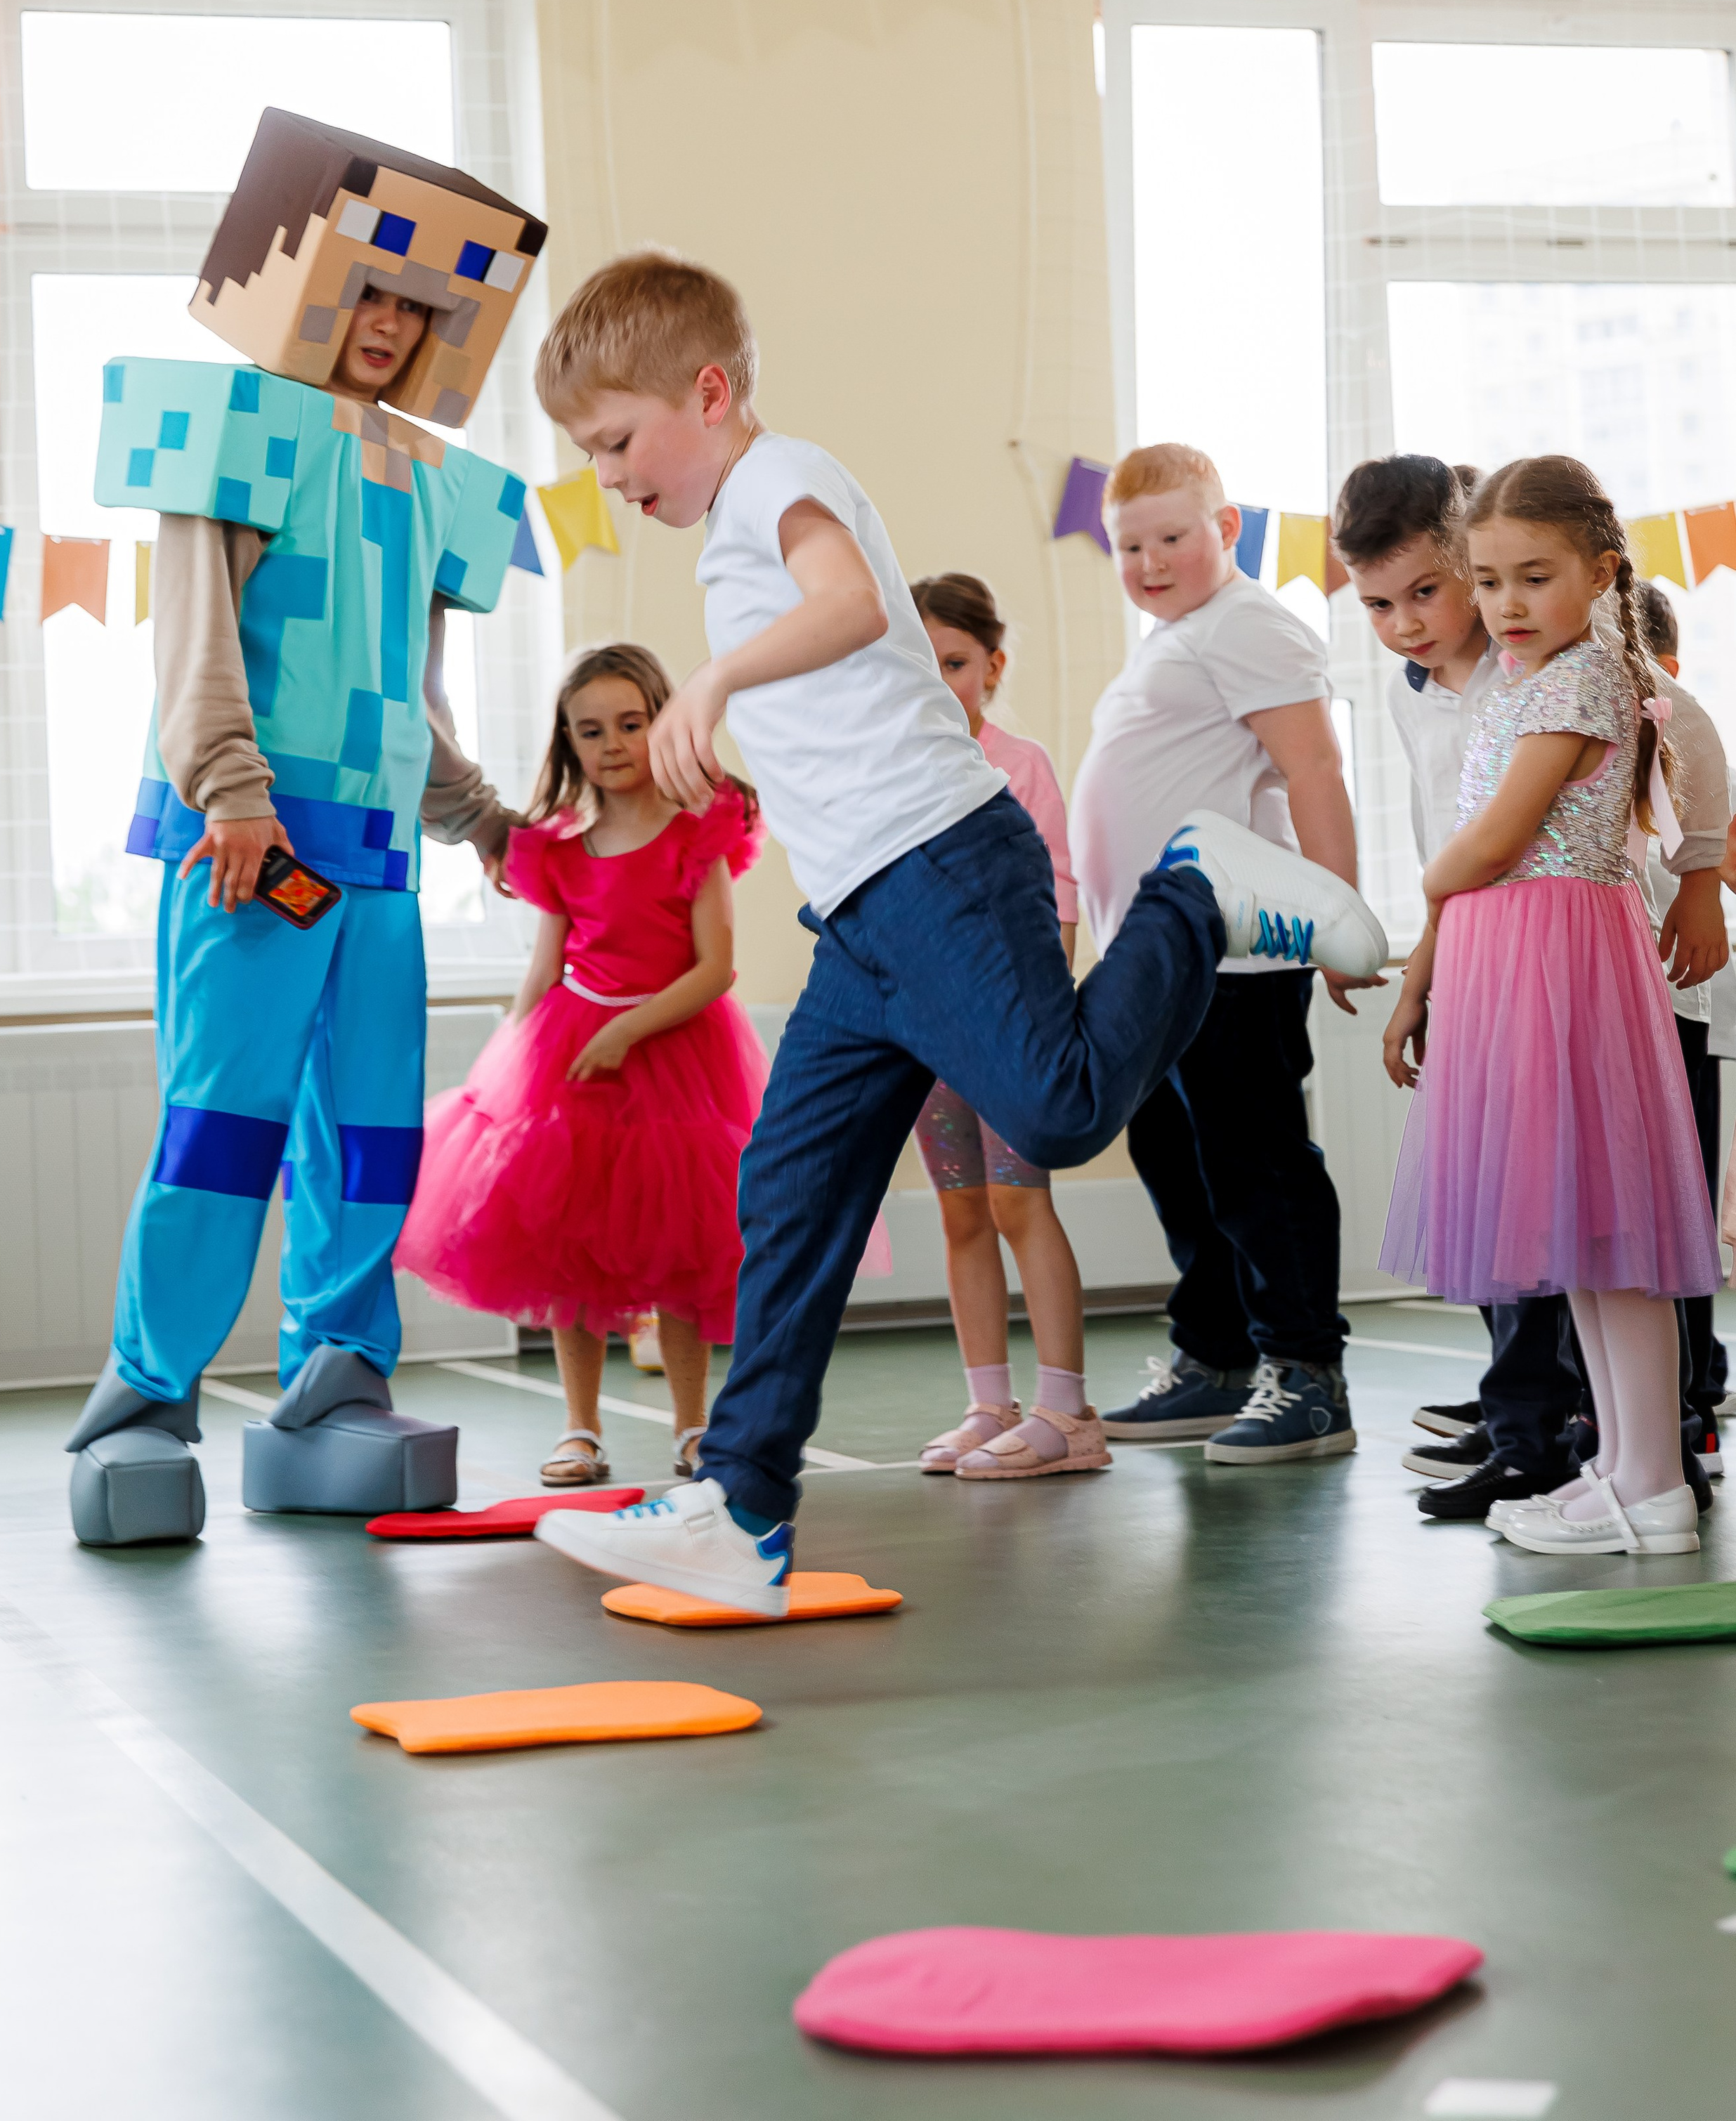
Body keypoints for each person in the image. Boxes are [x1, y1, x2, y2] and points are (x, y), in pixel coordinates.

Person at [524, 254, 1385, 1614]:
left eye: (618, 440)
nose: (611, 474)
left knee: (1048, 1111)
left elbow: (858, 603)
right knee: (787, 1192)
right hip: (861, 914)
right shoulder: (728, 523)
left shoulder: (777, 480)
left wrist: (717, 679)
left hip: (937, 861)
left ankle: (1195, 889)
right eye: (589, 453)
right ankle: (741, 1511)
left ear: (706, 392)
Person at [72, 109, 544, 1546]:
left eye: (419, 305)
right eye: (374, 293)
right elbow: (195, 647)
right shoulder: (233, 437)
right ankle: (143, 1404)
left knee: (371, 1133)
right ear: (314, 291)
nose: (393, 325)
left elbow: (409, 693)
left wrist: (489, 824)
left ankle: (334, 1382)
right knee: (222, 1127)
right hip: (253, 850)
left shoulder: (417, 473)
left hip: (379, 863)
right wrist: (229, 793)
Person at [1381, 455, 1721, 1559]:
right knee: (1580, 1237)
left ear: (1601, 572)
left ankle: (1655, 1482)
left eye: (1534, 576)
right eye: (1487, 581)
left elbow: (1501, 834)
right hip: (1519, 956)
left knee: (1613, 1237)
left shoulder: (1585, 679)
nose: (1506, 604)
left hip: (1558, 958)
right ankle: (1623, 1466)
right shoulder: (1535, 682)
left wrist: (1432, 882)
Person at [1069, 443, 1384, 1469]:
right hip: (1153, 961)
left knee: (1255, 1162)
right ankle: (1213, 1355)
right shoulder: (1183, 633)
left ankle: (1306, 1374)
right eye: (1131, 544)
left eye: (1174, 536)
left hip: (1234, 958)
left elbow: (1314, 771)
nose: (1151, 560)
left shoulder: (1246, 622)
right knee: (1174, 1157)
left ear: (1228, 528)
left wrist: (1338, 916)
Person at [396, 644, 768, 1485]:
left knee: (683, 1254)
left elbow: (714, 968)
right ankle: (581, 1427)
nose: (612, 745)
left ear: (663, 725)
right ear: (569, 743)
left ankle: (691, 1425)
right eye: (591, 730)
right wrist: (512, 1059)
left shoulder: (694, 836)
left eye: (631, 725)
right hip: (574, 1056)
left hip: (677, 1055)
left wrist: (630, 1030)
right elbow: (544, 970)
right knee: (570, 1256)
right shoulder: (557, 848)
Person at [1335, 451, 1581, 1523]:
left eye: (1425, 594)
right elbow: (1446, 849)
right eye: (1377, 605)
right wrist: (1418, 986)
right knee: (1488, 1200)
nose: (1403, 624)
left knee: (1546, 1206)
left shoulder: (1534, 676)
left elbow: (1502, 843)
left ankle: (1545, 1428)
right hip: (1473, 951)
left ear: (1467, 562)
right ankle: (1520, 1408)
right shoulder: (1415, 693)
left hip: (1550, 956)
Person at [906, 572, 1104, 1481]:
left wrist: (1040, 1009)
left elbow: (1061, 888)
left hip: (1011, 1026)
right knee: (961, 1215)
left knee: (1022, 1201)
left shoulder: (1017, 765)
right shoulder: (893, 768)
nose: (937, 679)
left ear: (992, 666)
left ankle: (1067, 1410)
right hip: (931, 1030)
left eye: (953, 662)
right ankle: (991, 1403)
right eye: (917, 664)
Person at [1629, 580, 1731, 1478]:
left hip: (1680, 1002)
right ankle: (1670, 1391)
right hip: (1626, 998)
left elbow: (1717, 853)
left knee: (1683, 1205)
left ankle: (1693, 1395)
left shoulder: (1673, 723)